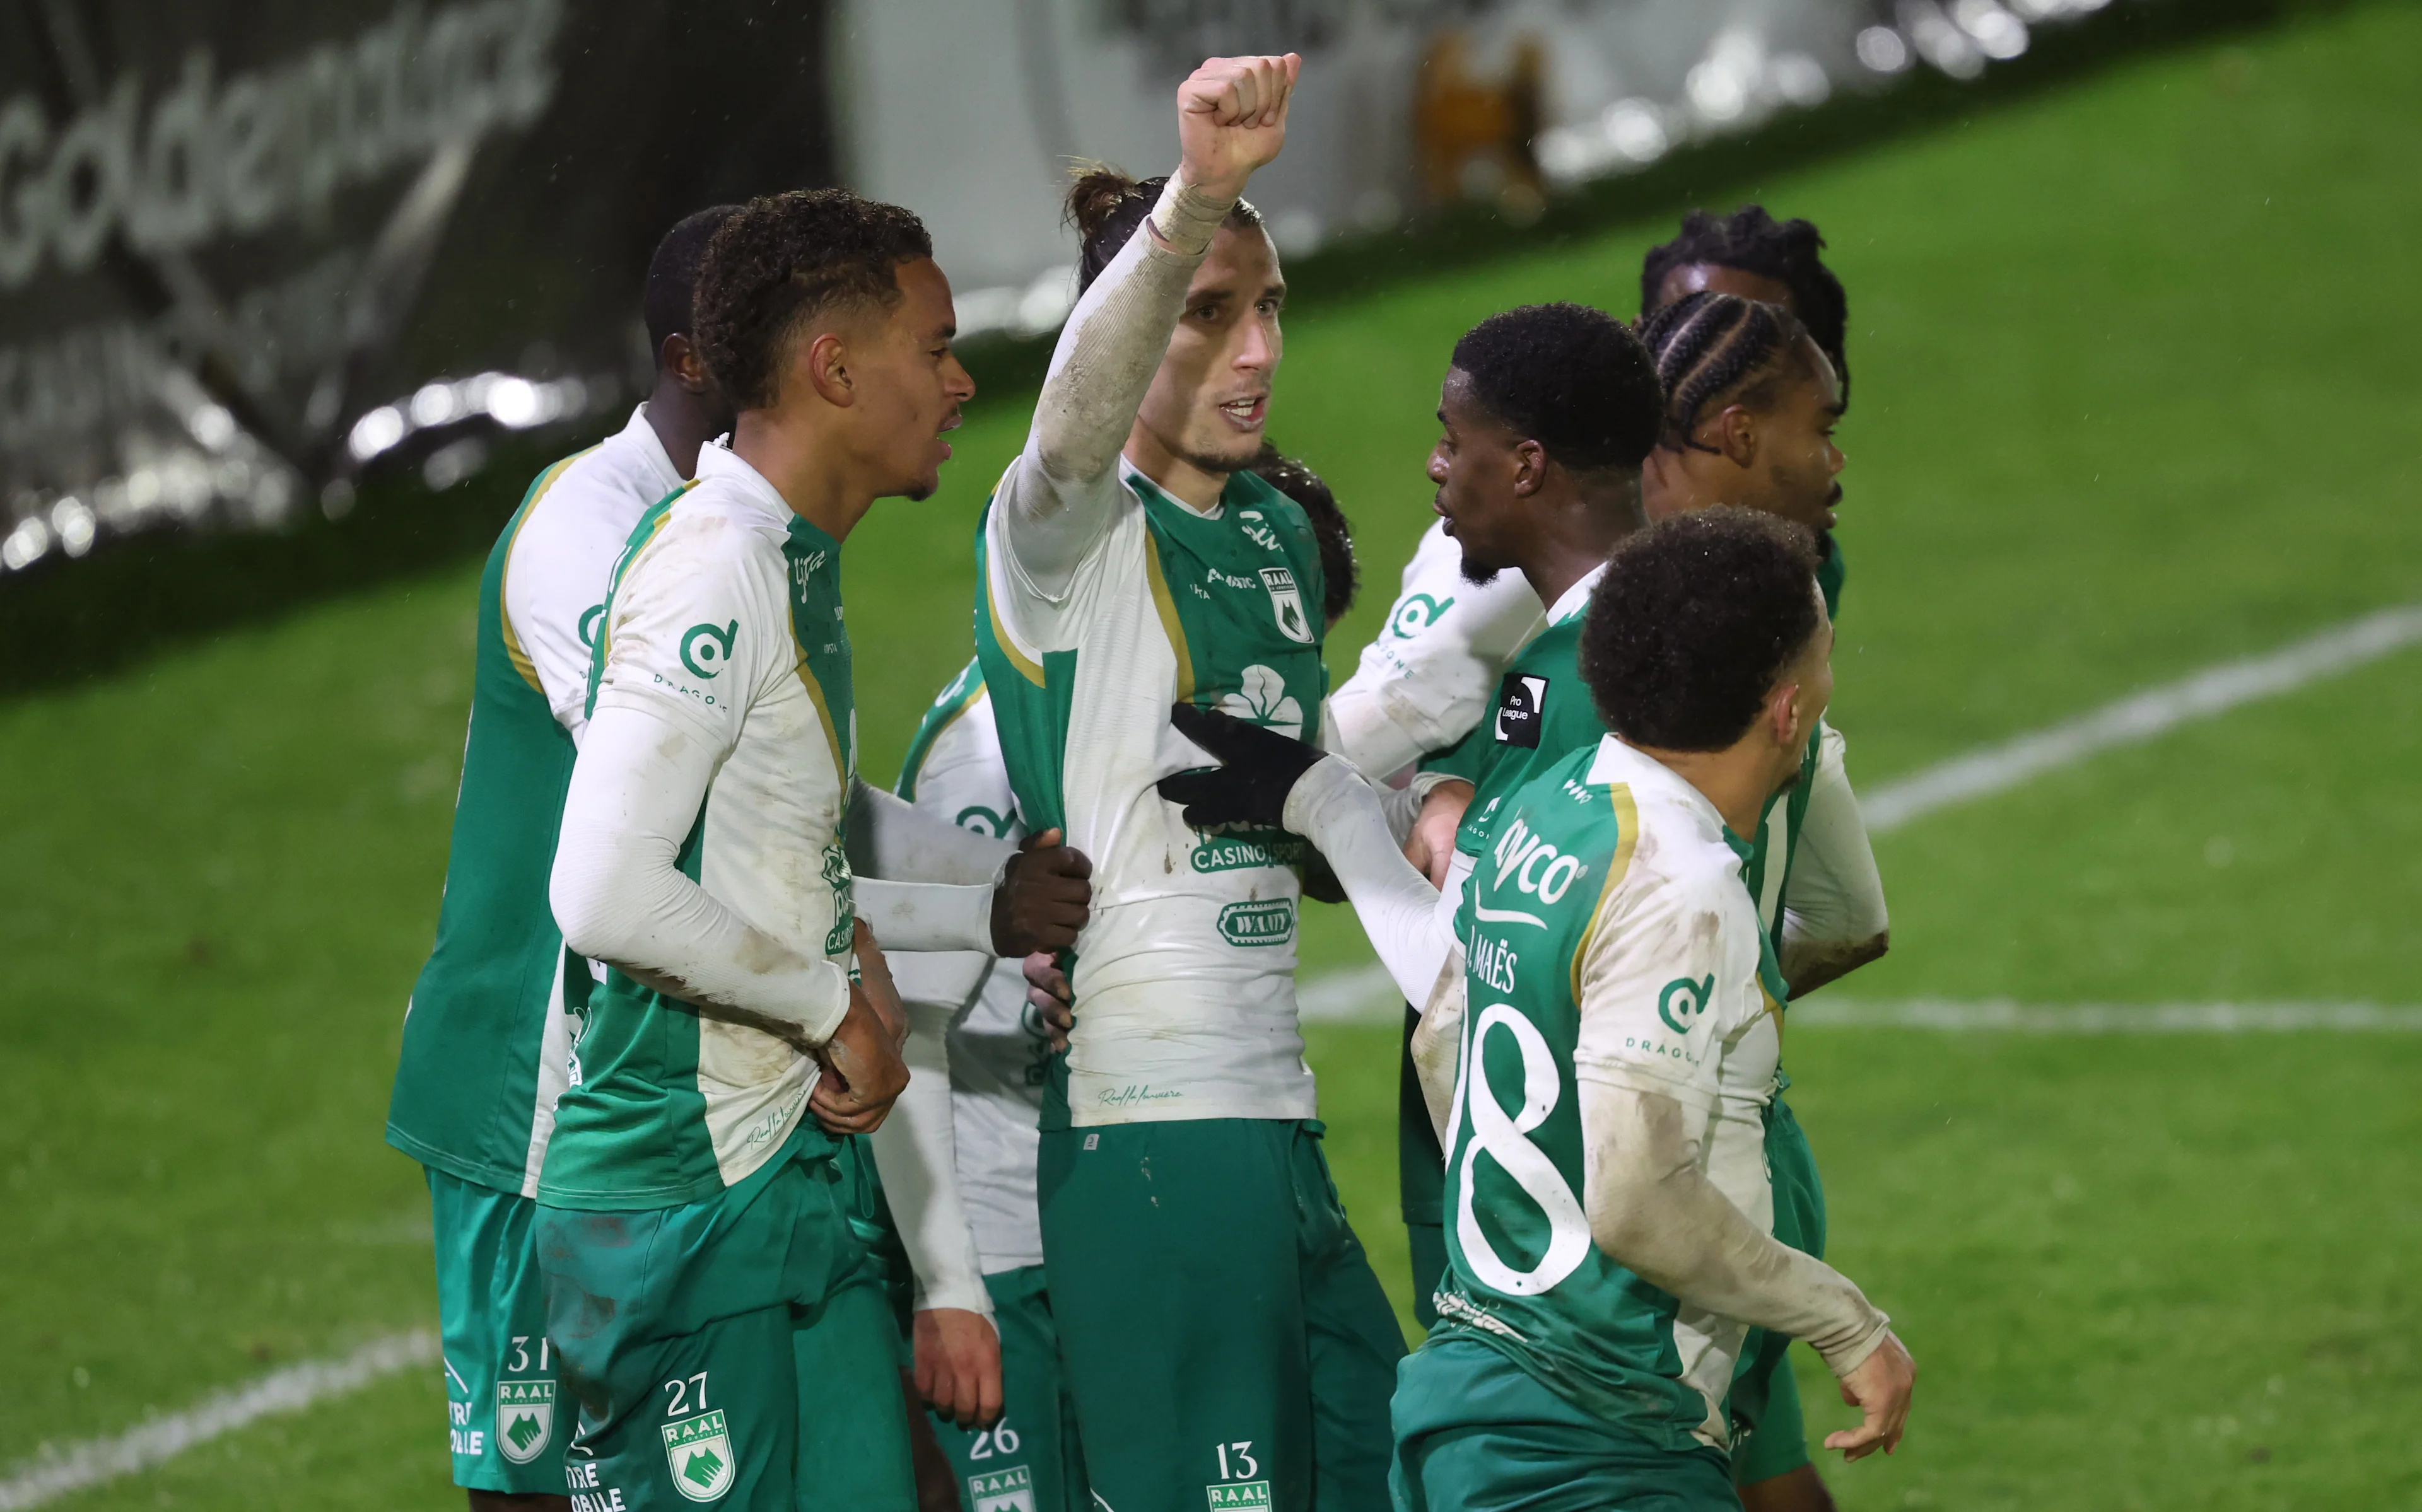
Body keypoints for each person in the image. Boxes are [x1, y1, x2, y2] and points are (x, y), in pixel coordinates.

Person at [1157, 509, 1917, 1508]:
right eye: (1824, 661)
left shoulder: (1556, 807)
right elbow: (1639, 1200)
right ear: (1785, 712)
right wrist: (1846, 1319)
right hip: (1593, 1444)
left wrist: (1329, 804)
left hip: (1475, 1393)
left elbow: (1447, 1036)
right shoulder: (1683, 889)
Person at [534, 189, 1082, 1512]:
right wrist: (831, 1001)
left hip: (794, 1173)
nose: (960, 382)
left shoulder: (791, 559)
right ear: (835, 367)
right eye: (936, 346)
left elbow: (786, 877)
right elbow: (600, 887)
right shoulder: (712, 562)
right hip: (680, 1200)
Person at [971, 54, 1407, 1512]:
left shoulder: (1279, 536)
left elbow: (1304, 823)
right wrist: (1200, 195)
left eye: (1267, 306)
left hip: (1273, 1118)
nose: (1254, 351)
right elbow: (1063, 433)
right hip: (1152, 1131)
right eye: (1208, 318)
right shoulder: (1069, 537)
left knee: (1394, 1465)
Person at [878, 446, 1359, 1512]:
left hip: (1130, 1200)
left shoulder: (1156, 713)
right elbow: (902, 1018)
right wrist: (946, 1283)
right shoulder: (992, 746)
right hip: (1011, 1248)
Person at [387, 204, 737, 1512]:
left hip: (641, 1085)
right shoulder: (585, 526)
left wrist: (971, 896)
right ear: (696, 357)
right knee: (538, 1495)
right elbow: (667, 780)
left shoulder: (744, 539)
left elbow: (784, 796)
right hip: (524, 1095)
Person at [1639, 206, 1852, 617]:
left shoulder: (1799, 569)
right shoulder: (1543, 516)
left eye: (1764, 335)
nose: (1726, 345)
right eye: (1696, 331)